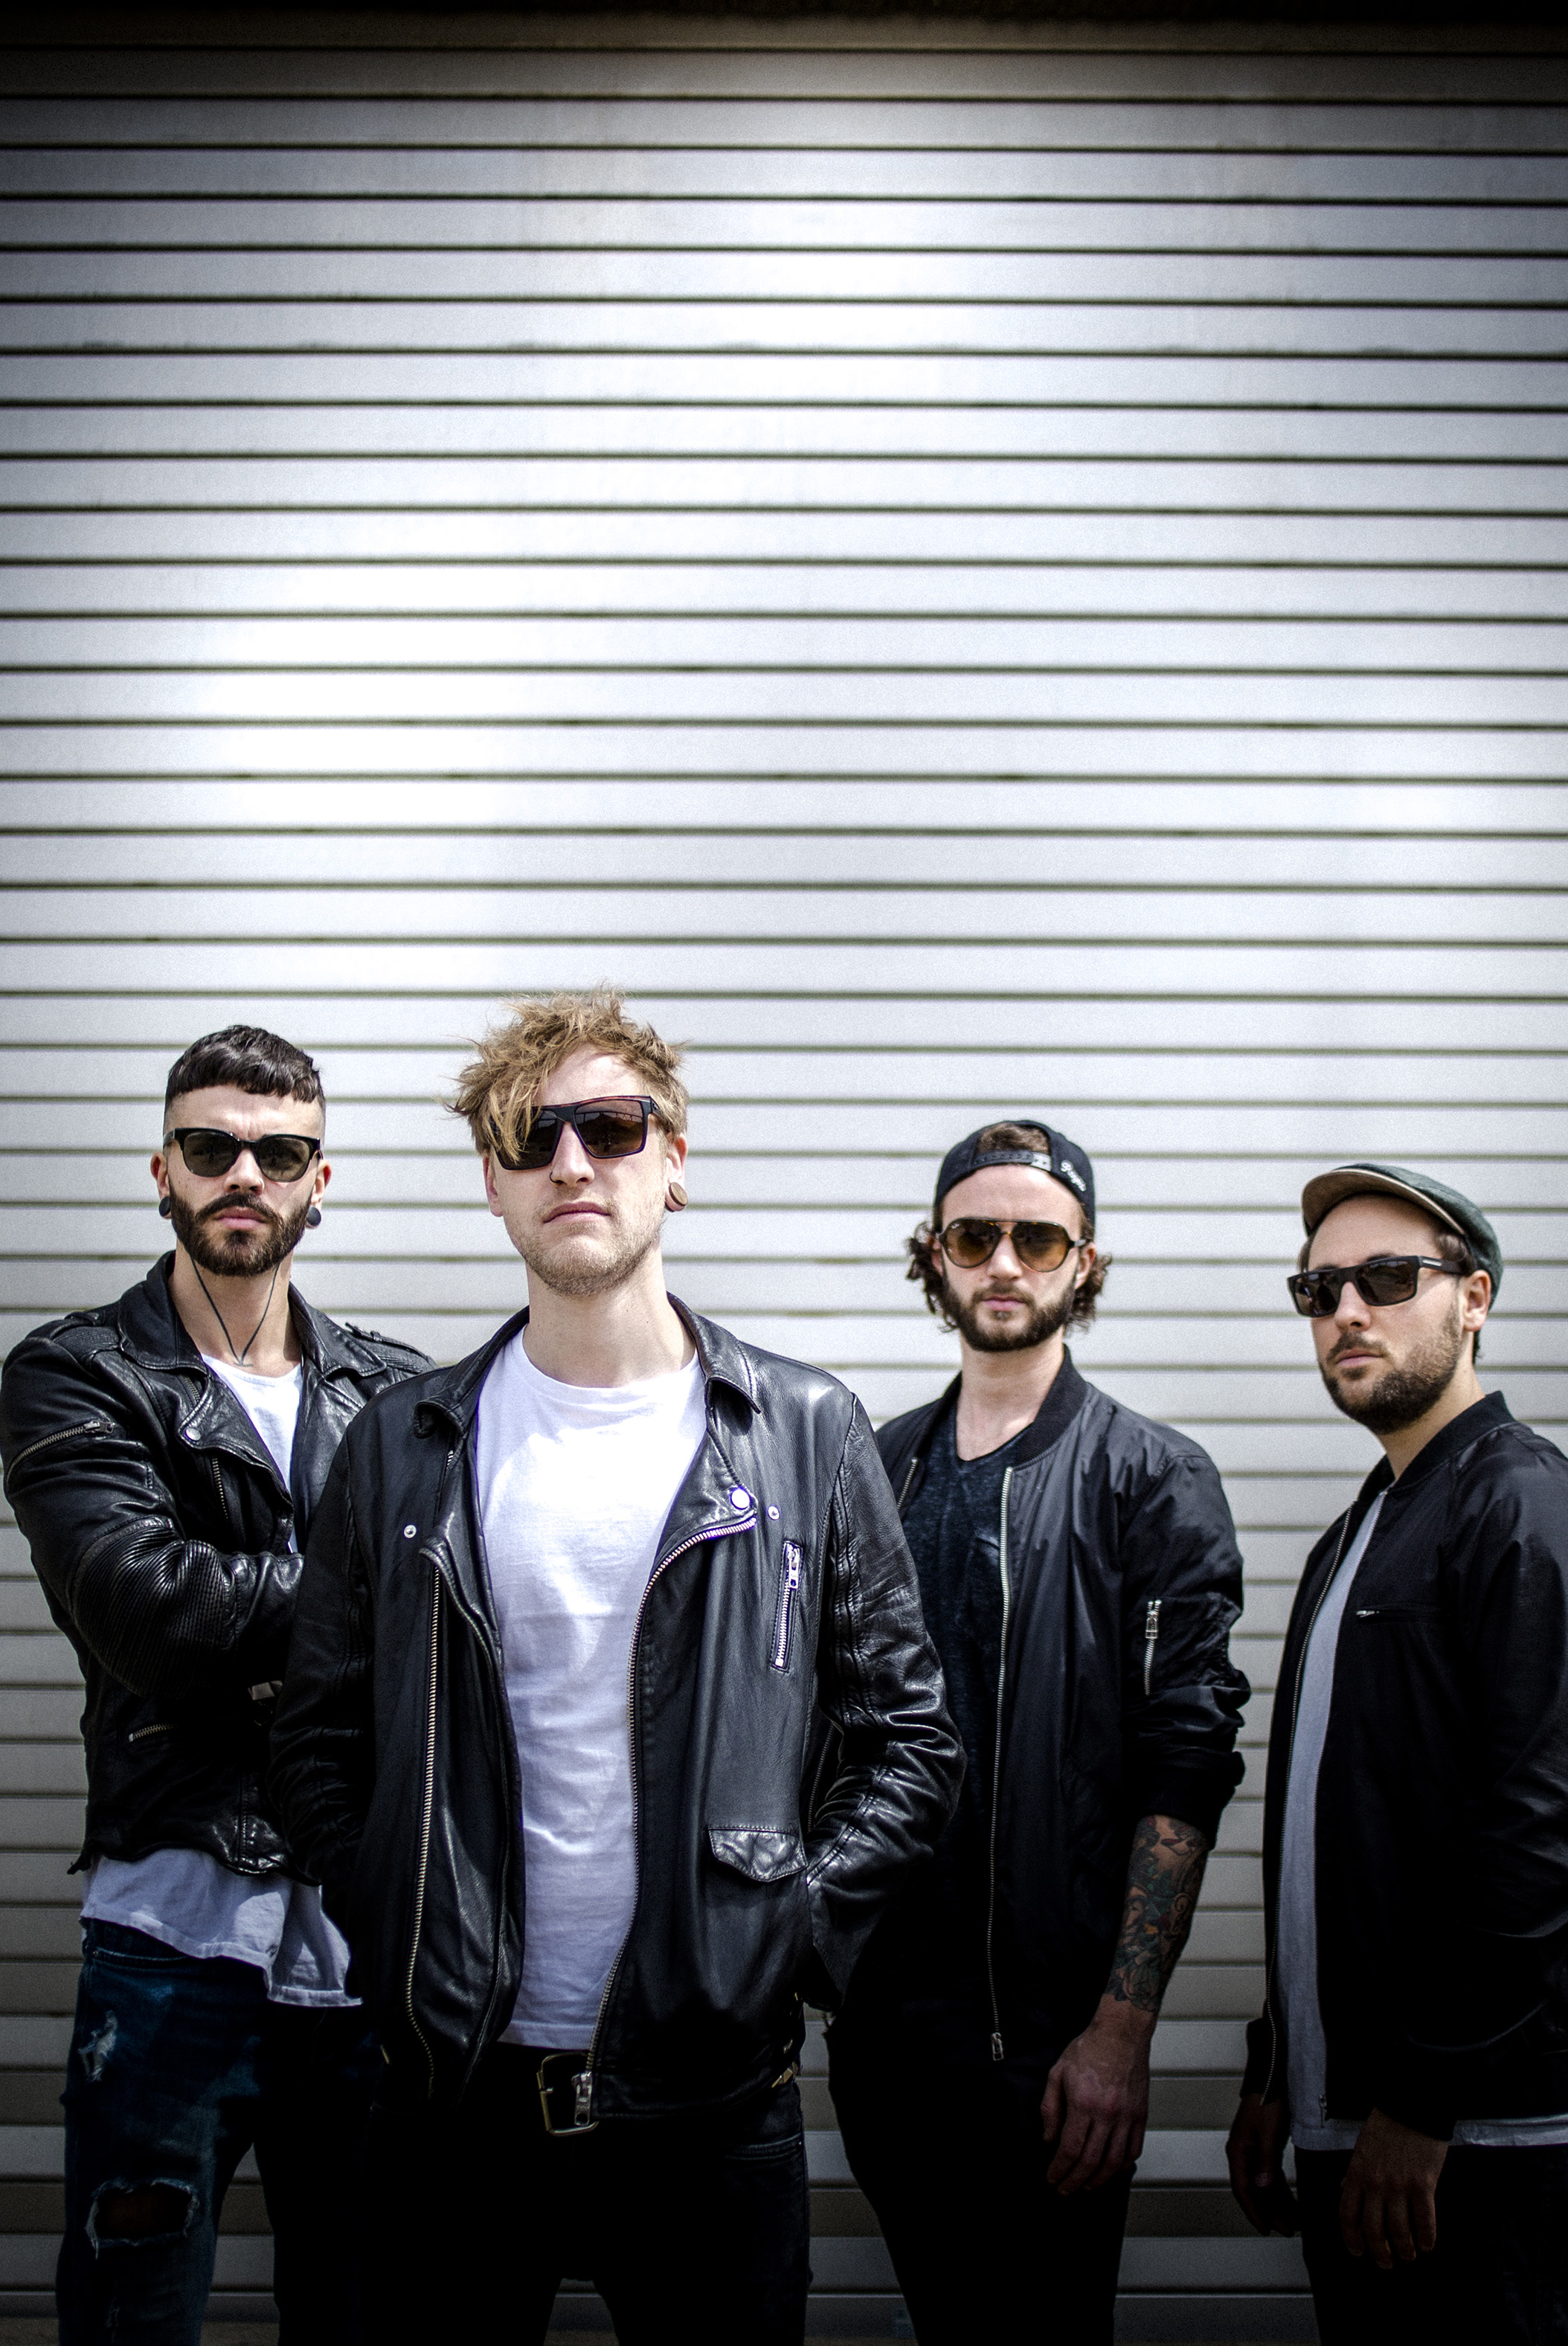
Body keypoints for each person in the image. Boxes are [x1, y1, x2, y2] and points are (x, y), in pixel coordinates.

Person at [269, 987, 960, 2346]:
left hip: (713, 2097)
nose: (572, 1162)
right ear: (494, 1183)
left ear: (674, 1160)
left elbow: (907, 1736)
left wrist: (787, 1928)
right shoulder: (404, 1443)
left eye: (612, 1128)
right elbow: (315, 1738)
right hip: (453, 2091)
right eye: (532, 1137)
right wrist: (394, 1907)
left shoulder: (803, 1430)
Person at [0, 1023, 428, 2346]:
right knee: (130, 2319)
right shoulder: (76, 1373)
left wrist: (275, 1630)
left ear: (319, 1179)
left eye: (279, 1153)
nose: (245, 1174)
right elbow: (149, 1613)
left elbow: (456, 1643)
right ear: (163, 1170)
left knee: (366, 2317)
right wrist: (365, 1597)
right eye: (211, 1147)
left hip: (367, 1946)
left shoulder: (401, 1395)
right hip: (171, 1940)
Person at [825, 1118, 1250, 2344]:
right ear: (936, 1254)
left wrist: (1121, 2032)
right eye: (975, 1237)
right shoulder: (874, 1468)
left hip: (1056, 2055)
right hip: (888, 2046)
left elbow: (1186, 1766)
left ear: (1084, 1262)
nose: (1004, 1262)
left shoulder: (1152, 1478)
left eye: (1038, 1239)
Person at [1227, 1160, 1568, 2346]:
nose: (1348, 1311)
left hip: (1472, 2144)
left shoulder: (1528, 1509)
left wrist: (1422, 2100)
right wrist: (1275, 2072)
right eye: (1321, 1290)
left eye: (1390, 1279)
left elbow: (1551, 1830)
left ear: (1476, 1298)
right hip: (1357, 2123)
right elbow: (1333, 1832)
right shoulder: (1361, 1529)